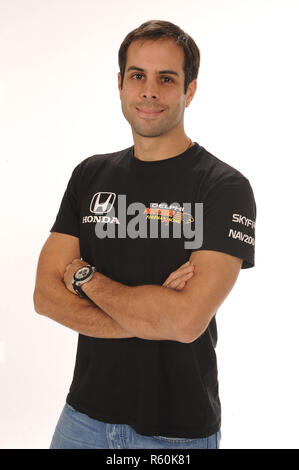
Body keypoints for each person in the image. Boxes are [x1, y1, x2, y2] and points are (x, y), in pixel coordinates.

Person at [33, 19, 256, 450]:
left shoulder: (223, 187)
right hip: (83, 419)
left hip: (177, 431)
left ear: (189, 90)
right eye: (138, 76)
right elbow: (44, 296)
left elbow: (187, 321)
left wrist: (85, 278)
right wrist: (155, 315)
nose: (149, 91)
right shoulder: (90, 176)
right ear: (120, 84)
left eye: (166, 79)